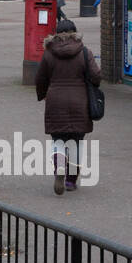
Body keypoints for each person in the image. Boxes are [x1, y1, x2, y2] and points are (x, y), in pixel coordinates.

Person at [34, 18, 101, 195]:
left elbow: (40, 78)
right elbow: (96, 76)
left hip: (56, 101)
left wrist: (42, 94)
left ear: (56, 33)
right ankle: (71, 181)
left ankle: (59, 171)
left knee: (58, 141)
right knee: (77, 142)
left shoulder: (48, 53)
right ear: (75, 32)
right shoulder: (85, 52)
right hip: (80, 102)